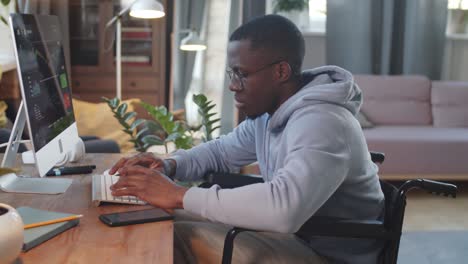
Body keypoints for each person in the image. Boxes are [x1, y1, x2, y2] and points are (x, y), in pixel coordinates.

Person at [109, 14, 385, 264]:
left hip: (328, 255)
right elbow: (220, 152)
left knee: (173, 234)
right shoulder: (270, 115)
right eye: (233, 73)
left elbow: (284, 208)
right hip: (300, 236)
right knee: (161, 217)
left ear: (280, 72)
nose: (232, 85)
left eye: (242, 74)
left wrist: (178, 195)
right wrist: (168, 165)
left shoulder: (322, 122)